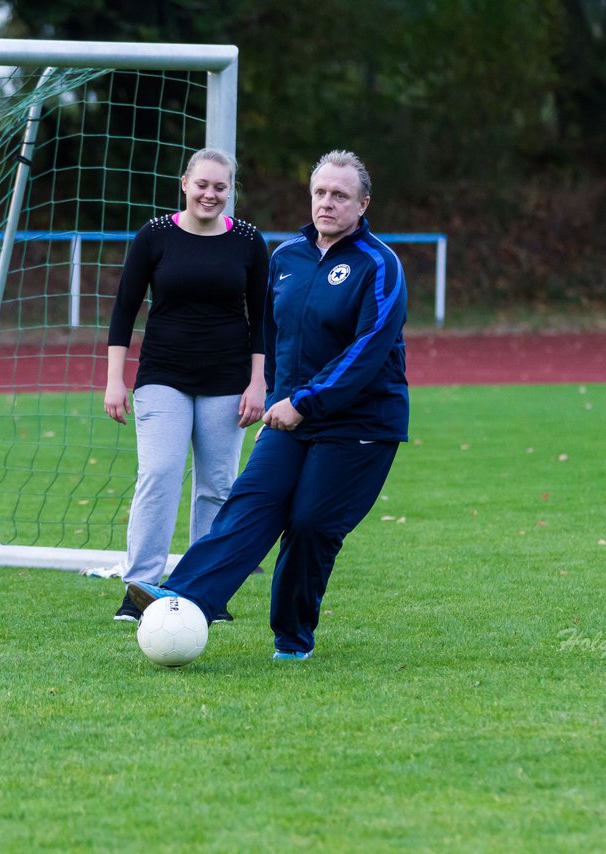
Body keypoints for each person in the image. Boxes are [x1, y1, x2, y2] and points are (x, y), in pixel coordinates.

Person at [128, 149, 408, 660]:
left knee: (309, 524)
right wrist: (280, 398)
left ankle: (292, 640)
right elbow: (277, 339)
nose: (327, 203)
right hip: (291, 417)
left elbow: (368, 349)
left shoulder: (379, 265)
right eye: (320, 192)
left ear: (363, 204)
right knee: (250, 501)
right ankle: (180, 597)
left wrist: (303, 401)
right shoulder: (286, 258)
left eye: (340, 196)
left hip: (360, 424)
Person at [104, 148, 269, 623]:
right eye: (202, 185)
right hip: (162, 377)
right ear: (184, 184)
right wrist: (115, 381)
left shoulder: (248, 241)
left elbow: (262, 320)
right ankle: (138, 589)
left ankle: (205, 591)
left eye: (221, 187)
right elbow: (123, 312)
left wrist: (259, 384)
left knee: (218, 487)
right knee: (159, 476)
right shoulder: (154, 236)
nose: (210, 194)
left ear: (230, 191)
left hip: (228, 381)